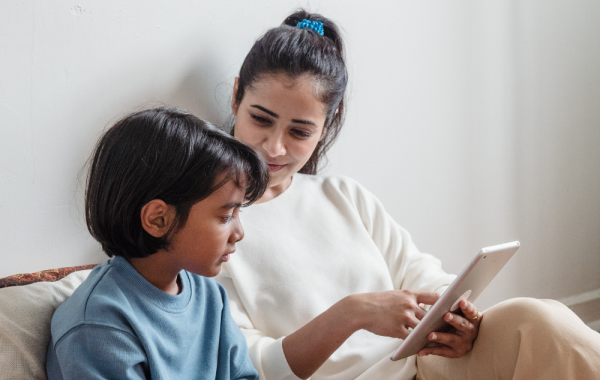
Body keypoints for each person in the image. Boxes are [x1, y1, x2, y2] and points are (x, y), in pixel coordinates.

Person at [215, 10, 600, 380]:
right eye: (261, 119)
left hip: (422, 366)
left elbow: (422, 275)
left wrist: (460, 318)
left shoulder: (344, 196)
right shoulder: (211, 223)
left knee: (538, 322)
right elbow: (251, 365)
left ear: (325, 125)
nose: (276, 148)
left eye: (300, 132)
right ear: (236, 96)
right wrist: (353, 313)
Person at [46, 107, 268, 379]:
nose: (239, 232)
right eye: (225, 216)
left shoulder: (212, 299)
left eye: (237, 214)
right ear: (158, 220)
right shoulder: (98, 325)